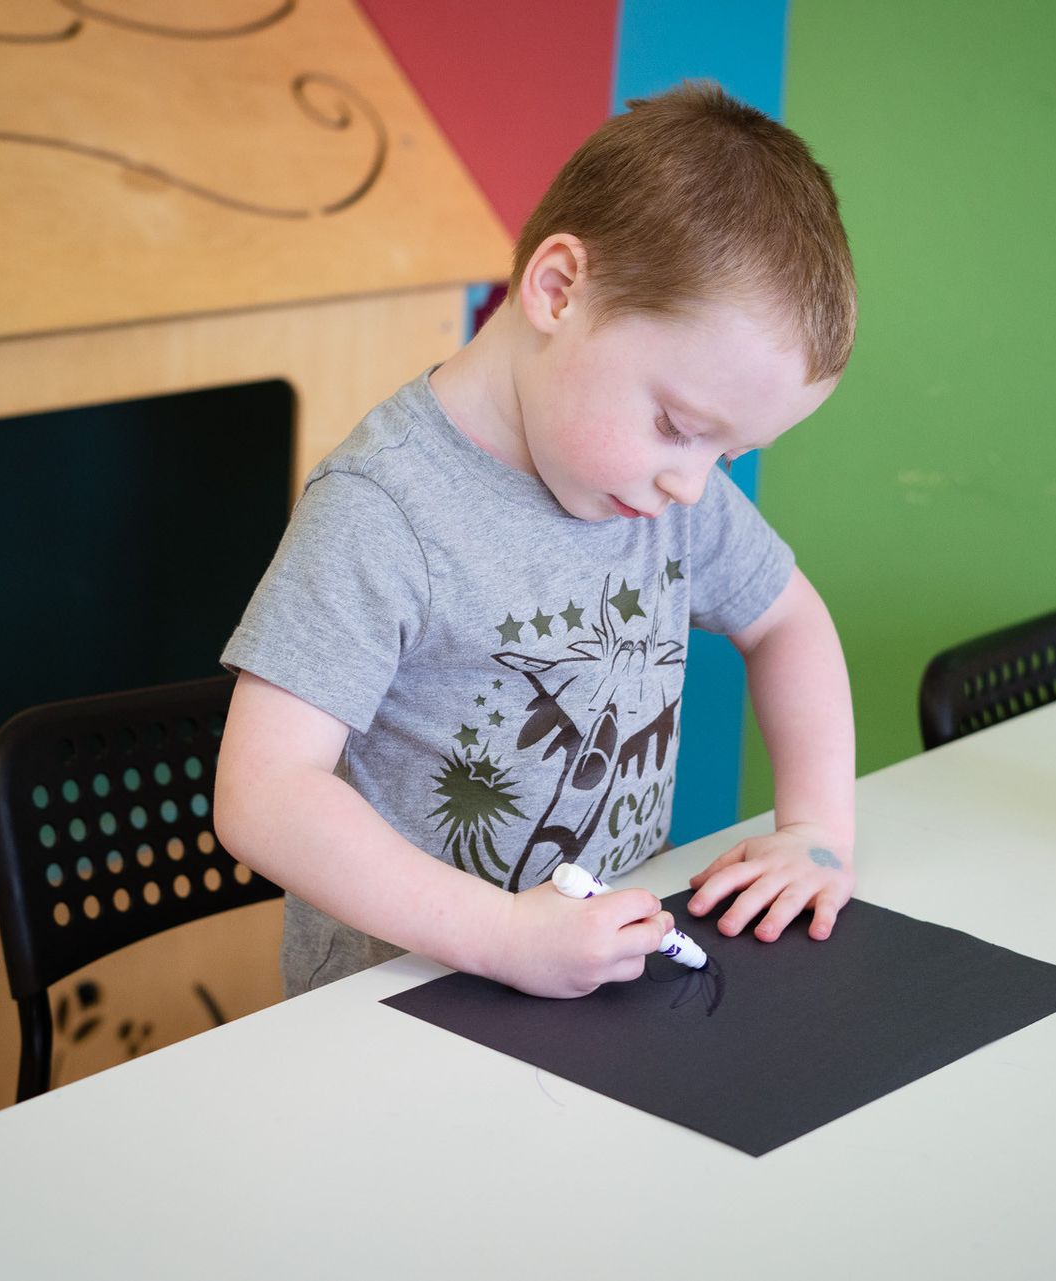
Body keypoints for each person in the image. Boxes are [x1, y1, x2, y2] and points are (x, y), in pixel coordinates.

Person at [215, 82, 857, 1000]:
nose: (694, 481)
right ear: (558, 290)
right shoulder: (384, 509)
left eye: (732, 451)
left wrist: (817, 830)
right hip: (399, 1011)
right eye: (679, 424)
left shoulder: (662, 489)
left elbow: (788, 618)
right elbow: (265, 793)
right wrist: (506, 932)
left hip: (595, 987)